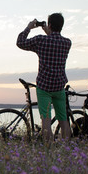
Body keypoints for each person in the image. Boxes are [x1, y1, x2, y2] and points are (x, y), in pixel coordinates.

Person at [16, 13, 71, 142]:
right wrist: (49, 31)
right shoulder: (67, 43)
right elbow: (54, 41)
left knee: (45, 119)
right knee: (63, 119)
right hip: (59, 87)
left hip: (44, 87)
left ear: (50, 25)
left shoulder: (41, 40)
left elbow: (20, 42)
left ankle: (48, 149)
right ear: (61, 26)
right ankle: (67, 149)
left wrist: (29, 27)